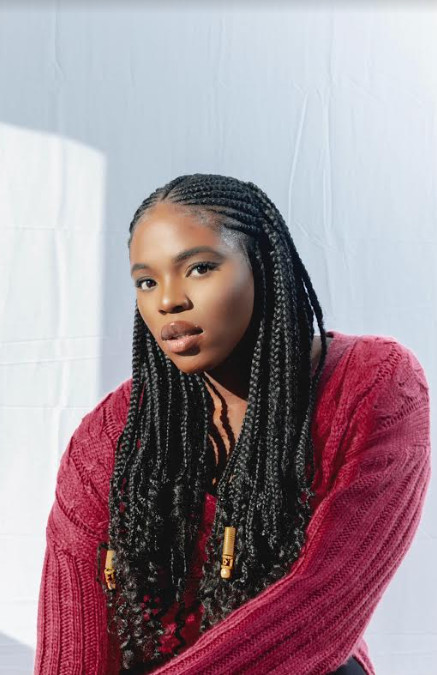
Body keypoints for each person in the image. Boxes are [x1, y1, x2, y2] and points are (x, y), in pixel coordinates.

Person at [34, 174, 431, 675]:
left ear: (262, 265)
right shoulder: (110, 437)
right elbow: (73, 644)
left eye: (199, 268)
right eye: (147, 281)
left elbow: (319, 607)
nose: (168, 300)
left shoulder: (374, 385)